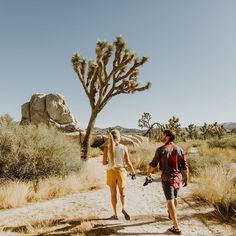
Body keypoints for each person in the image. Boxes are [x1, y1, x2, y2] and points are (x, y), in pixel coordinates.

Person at [146, 129, 189, 235]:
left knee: (170, 201)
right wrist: (186, 177)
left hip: (167, 178)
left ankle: (176, 227)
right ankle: (171, 215)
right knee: (175, 198)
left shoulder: (161, 150)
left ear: (167, 136)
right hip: (177, 178)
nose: (161, 136)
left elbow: (153, 164)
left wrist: (148, 173)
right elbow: (184, 165)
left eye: (163, 135)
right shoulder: (179, 149)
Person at [103, 129, 136, 220]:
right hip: (121, 171)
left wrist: (109, 160)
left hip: (111, 172)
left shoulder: (107, 147)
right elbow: (128, 162)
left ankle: (115, 214)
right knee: (122, 192)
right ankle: (124, 208)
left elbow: (103, 163)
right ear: (118, 137)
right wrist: (133, 172)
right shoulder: (123, 147)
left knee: (113, 194)